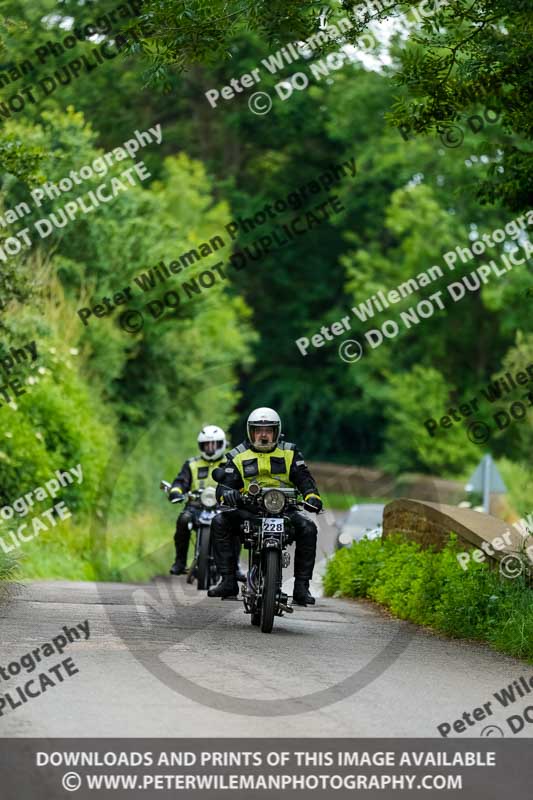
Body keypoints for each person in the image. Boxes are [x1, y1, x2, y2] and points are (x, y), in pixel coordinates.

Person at [208, 407, 323, 605]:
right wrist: (228, 494)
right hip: (249, 510)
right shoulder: (237, 455)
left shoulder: (290, 452)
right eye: (258, 430)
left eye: (268, 430)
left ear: (276, 432)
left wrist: (312, 497)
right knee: (219, 521)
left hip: (285, 509)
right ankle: (228, 580)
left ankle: (301, 586)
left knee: (308, 528)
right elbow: (224, 485)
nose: (263, 434)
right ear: (250, 432)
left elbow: (304, 479)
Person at [168, 425, 227, 575]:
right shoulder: (192, 464)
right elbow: (181, 481)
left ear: (221, 444)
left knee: (235, 525)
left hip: (223, 506)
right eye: (206, 445)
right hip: (196, 506)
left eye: (213, 444)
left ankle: (235, 566)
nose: (210, 448)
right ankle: (180, 562)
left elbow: (238, 482)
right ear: (201, 446)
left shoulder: (230, 463)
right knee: (183, 519)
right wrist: (176, 492)